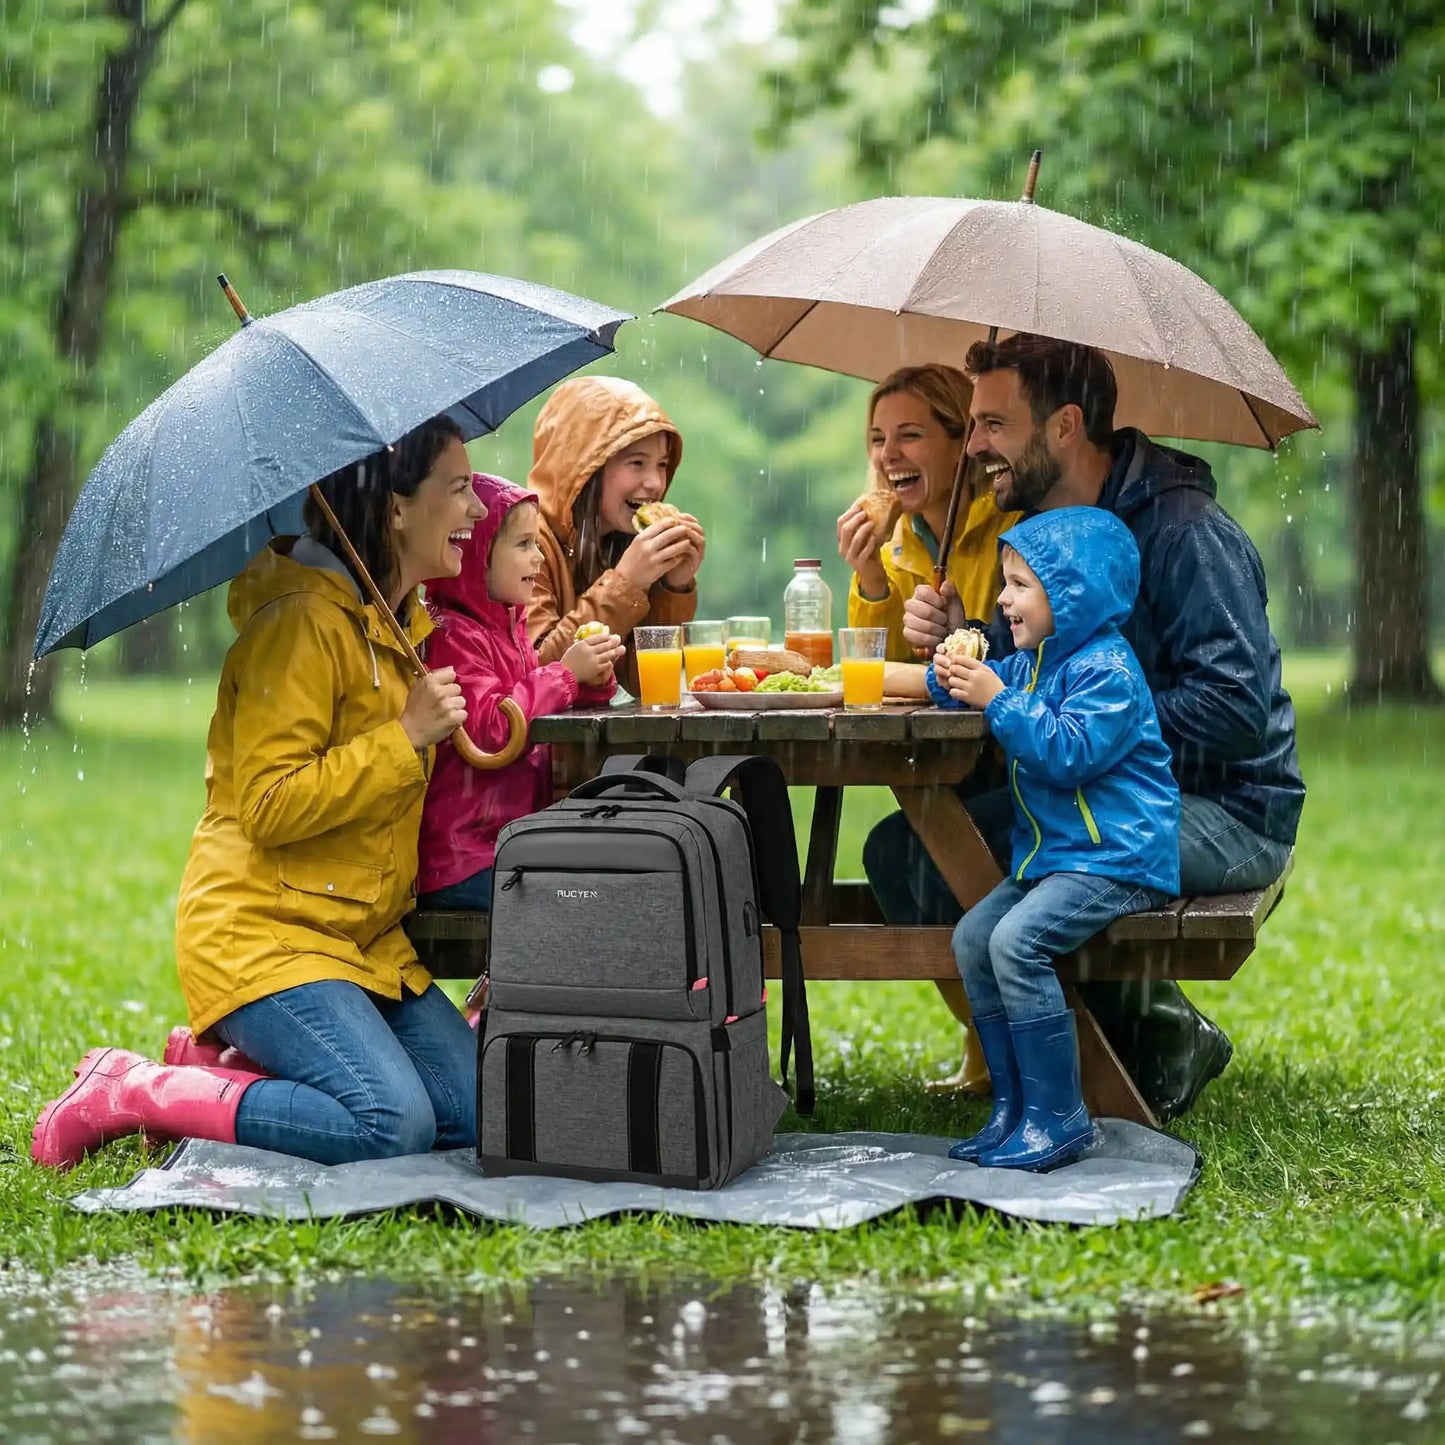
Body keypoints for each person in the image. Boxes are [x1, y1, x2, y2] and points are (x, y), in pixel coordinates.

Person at [32, 415, 486, 1169]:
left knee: (468, 1115)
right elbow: (272, 805)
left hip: (360, 943)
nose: (475, 510)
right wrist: (401, 737)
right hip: (263, 937)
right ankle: (141, 1086)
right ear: (397, 509)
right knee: (389, 1125)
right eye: (460, 489)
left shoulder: (398, 629)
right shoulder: (300, 624)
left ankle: (239, 1073)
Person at [893, 333, 1305, 1122]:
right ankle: (1096, 1042)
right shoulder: (1057, 531)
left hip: (1227, 810)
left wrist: (1088, 723)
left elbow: (1232, 710)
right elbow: (1059, 656)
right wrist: (968, 627)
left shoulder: (1186, 532)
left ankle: (1138, 1041)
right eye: (974, 425)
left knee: (1050, 849)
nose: (973, 444)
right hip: (1112, 785)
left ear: (1063, 426)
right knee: (910, 851)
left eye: (992, 424)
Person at [928, 508, 1179, 1169]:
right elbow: (979, 689)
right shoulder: (1034, 663)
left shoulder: (1107, 671)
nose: (1002, 598)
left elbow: (1067, 752)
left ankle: (1057, 1116)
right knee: (972, 938)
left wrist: (994, 699)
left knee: (1015, 941)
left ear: (1071, 593)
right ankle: (1013, 1106)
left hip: (1116, 857)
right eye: (1005, 582)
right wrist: (950, 669)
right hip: (1057, 859)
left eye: (1018, 585)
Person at [837, 363, 1021, 1095]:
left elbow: (997, 647)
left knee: (907, 853)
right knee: (898, 854)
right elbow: (871, 663)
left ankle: (1022, 1041)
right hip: (960, 757)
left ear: (961, 440)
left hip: (1016, 756)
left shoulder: (1007, 521)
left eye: (910, 435)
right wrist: (873, 583)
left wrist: (957, 633)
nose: (888, 455)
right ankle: (987, 1039)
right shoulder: (908, 539)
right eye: (878, 438)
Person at [416, 472, 623, 914]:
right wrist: (565, 676)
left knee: (609, 878)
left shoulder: (508, 629)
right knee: (586, 900)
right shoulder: (452, 634)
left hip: (507, 844)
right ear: (478, 555)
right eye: (523, 545)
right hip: (463, 859)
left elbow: (531, 701)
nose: (537, 558)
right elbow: (492, 731)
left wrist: (591, 679)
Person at [527, 375, 705, 698]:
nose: (655, 483)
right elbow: (536, 671)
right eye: (637, 463)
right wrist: (625, 582)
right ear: (584, 466)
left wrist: (673, 587)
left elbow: (642, 683)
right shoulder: (526, 540)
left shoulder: (615, 539)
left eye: (662, 465)